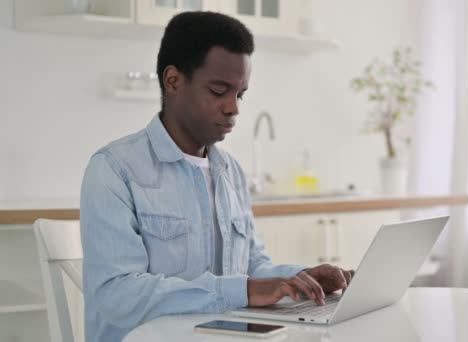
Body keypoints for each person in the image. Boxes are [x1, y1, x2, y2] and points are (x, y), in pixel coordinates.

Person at [80, 11, 354, 342]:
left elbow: (252, 268)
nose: (233, 108)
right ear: (173, 81)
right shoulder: (114, 169)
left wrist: (298, 278)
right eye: (219, 90)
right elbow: (117, 294)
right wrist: (244, 290)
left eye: (239, 94)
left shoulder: (231, 173)